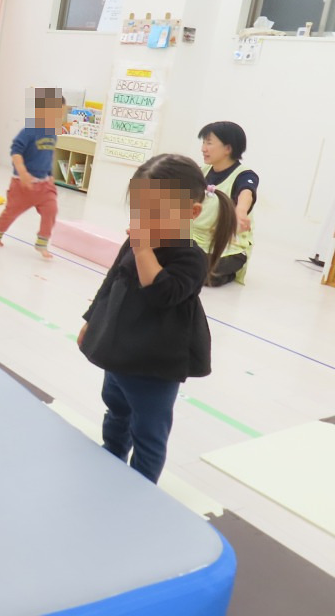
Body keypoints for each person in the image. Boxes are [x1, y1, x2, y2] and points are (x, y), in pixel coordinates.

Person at [77, 154, 237, 484]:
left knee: (148, 431)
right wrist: (91, 319)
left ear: (191, 212)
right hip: (119, 349)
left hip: (155, 365)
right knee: (116, 410)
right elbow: (112, 280)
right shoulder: (134, 242)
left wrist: (143, 251)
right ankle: (111, 460)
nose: (145, 220)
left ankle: (142, 488)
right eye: (140, 209)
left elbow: (162, 294)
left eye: (157, 212)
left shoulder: (191, 258)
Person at [0, 88, 62, 259]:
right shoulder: (29, 130)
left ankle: (42, 243)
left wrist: (50, 174)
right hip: (23, 185)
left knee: (51, 209)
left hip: (44, 185)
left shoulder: (52, 133)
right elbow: (16, 151)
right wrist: (22, 172)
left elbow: (48, 155)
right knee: (11, 212)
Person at [195, 121, 258, 286]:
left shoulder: (244, 175)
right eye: (203, 142)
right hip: (198, 240)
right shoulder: (201, 172)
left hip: (229, 247)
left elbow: (246, 192)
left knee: (202, 271)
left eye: (209, 143)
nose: (203, 148)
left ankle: (228, 273)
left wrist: (240, 211)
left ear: (228, 148)